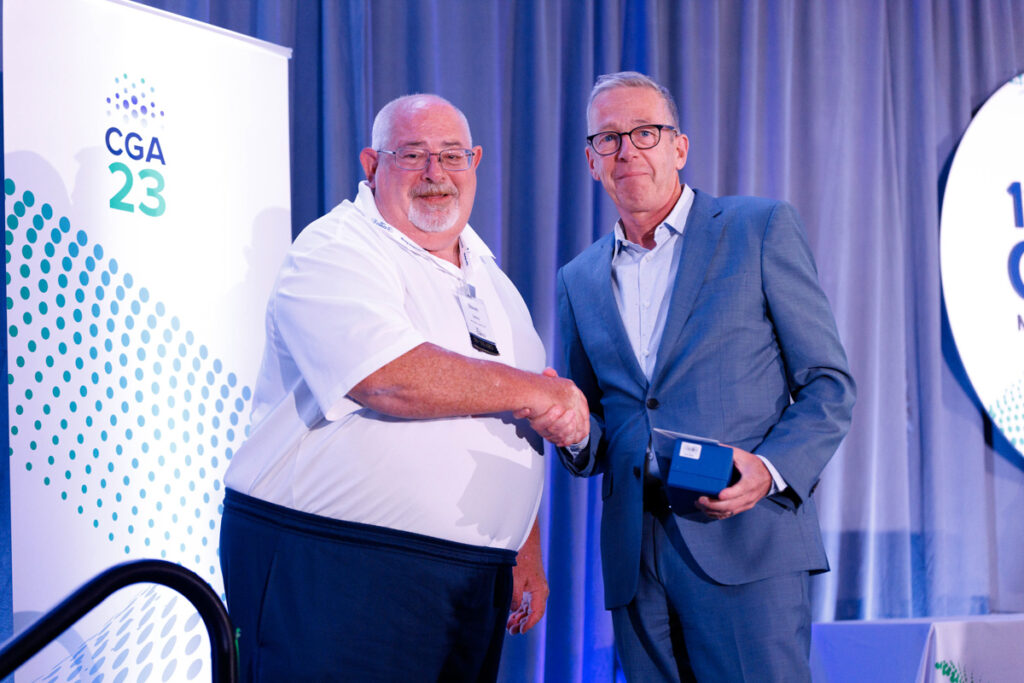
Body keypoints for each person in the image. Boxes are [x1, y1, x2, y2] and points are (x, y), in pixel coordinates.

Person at [220, 93, 588, 681]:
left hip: (471, 579)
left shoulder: (495, 280)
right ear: (372, 165)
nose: (435, 174)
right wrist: (540, 394)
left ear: (476, 162)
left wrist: (524, 548)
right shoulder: (336, 248)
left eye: (451, 156)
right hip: (335, 564)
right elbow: (387, 377)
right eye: (412, 154)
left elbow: (513, 424)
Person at [555, 72, 856, 681]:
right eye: (609, 139)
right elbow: (597, 427)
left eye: (645, 132)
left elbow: (829, 385)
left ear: (679, 147)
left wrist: (768, 472)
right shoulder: (578, 278)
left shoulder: (759, 228)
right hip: (635, 562)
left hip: (749, 542)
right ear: (591, 161)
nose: (628, 150)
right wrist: (570, 429)